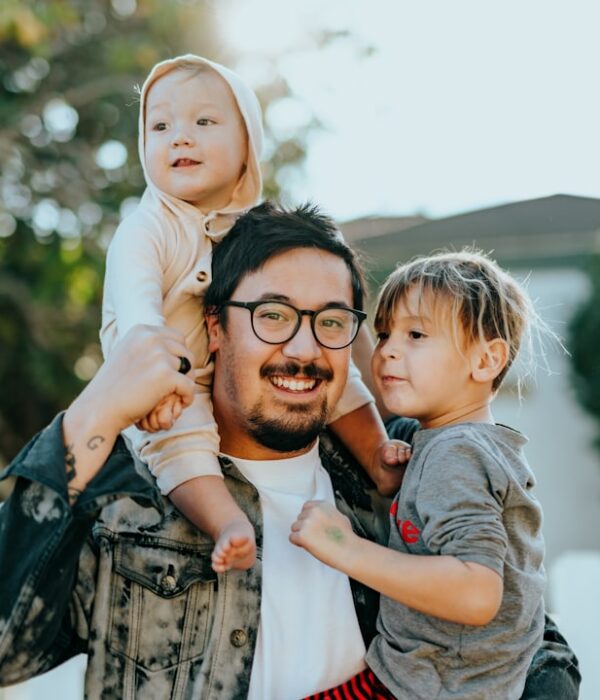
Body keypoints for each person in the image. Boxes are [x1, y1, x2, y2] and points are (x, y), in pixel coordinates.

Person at [0, 204, 579, 699]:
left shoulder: (399, 464)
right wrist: (92, 414)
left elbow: (529, 638)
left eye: (331, 321)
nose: (303, 349)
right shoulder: (125, 491)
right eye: (272, 316)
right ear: (215, 327)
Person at [100, 54, 404, 574]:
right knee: (180, 442)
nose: (180, 138)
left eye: (203, 121)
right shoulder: (147, 228)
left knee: (335, 370)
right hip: (164, 380)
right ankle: (226, 522)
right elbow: (138, 316)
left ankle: (377, 456)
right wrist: (155, 384)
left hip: (217, 371)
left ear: (248, 146)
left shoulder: (254, 231)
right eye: (161, 126)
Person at [291, 249, 560, 699]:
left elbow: (476, 592)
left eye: (416, 334)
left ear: (486, 360)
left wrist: (344, 547)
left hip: (428, 686)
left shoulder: (455, 454)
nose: (388, 350)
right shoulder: (464, 445)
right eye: (383, 334)